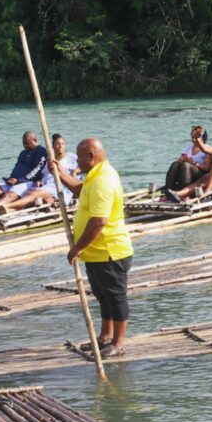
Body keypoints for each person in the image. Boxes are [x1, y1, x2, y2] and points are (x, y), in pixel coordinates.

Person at [64, 138, 133, 357]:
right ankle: (105, 337)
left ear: (91, 156)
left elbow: (98, 221)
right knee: (102, 296)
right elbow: (77, 190)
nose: (77, 162)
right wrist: (58, 172)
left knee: (115, 296)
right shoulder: (93, 177)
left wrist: (76, 248)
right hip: (94, 253)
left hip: (109, 251)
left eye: (79, 157)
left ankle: (118, 343)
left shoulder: (103, 179)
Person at [0, 133, 80, 214]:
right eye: (58, 144)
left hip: (60, 187)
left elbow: (83, 167)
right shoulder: (50, 160)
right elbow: (43, 174)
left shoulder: (72, 157)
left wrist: (75, 172)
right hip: (48, 185)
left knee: (33, 194)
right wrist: (39, 180)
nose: (60, 146)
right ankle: (10, 210)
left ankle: (7, 206)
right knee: (31, 193)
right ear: (52, 146)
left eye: (62, 144)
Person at [165, 125, 212, 191]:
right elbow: (179, 160)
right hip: (185, 173)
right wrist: (181, 160)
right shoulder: (188, 148)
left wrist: (193, 162)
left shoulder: (208, 149)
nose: (193, 140)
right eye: (192, 137)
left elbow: (206, 168)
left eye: (195, 137)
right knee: (175, 164)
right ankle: (168, 189)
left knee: (186, 165)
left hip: (200, 174)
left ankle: (183, 192)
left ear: (202, 138)